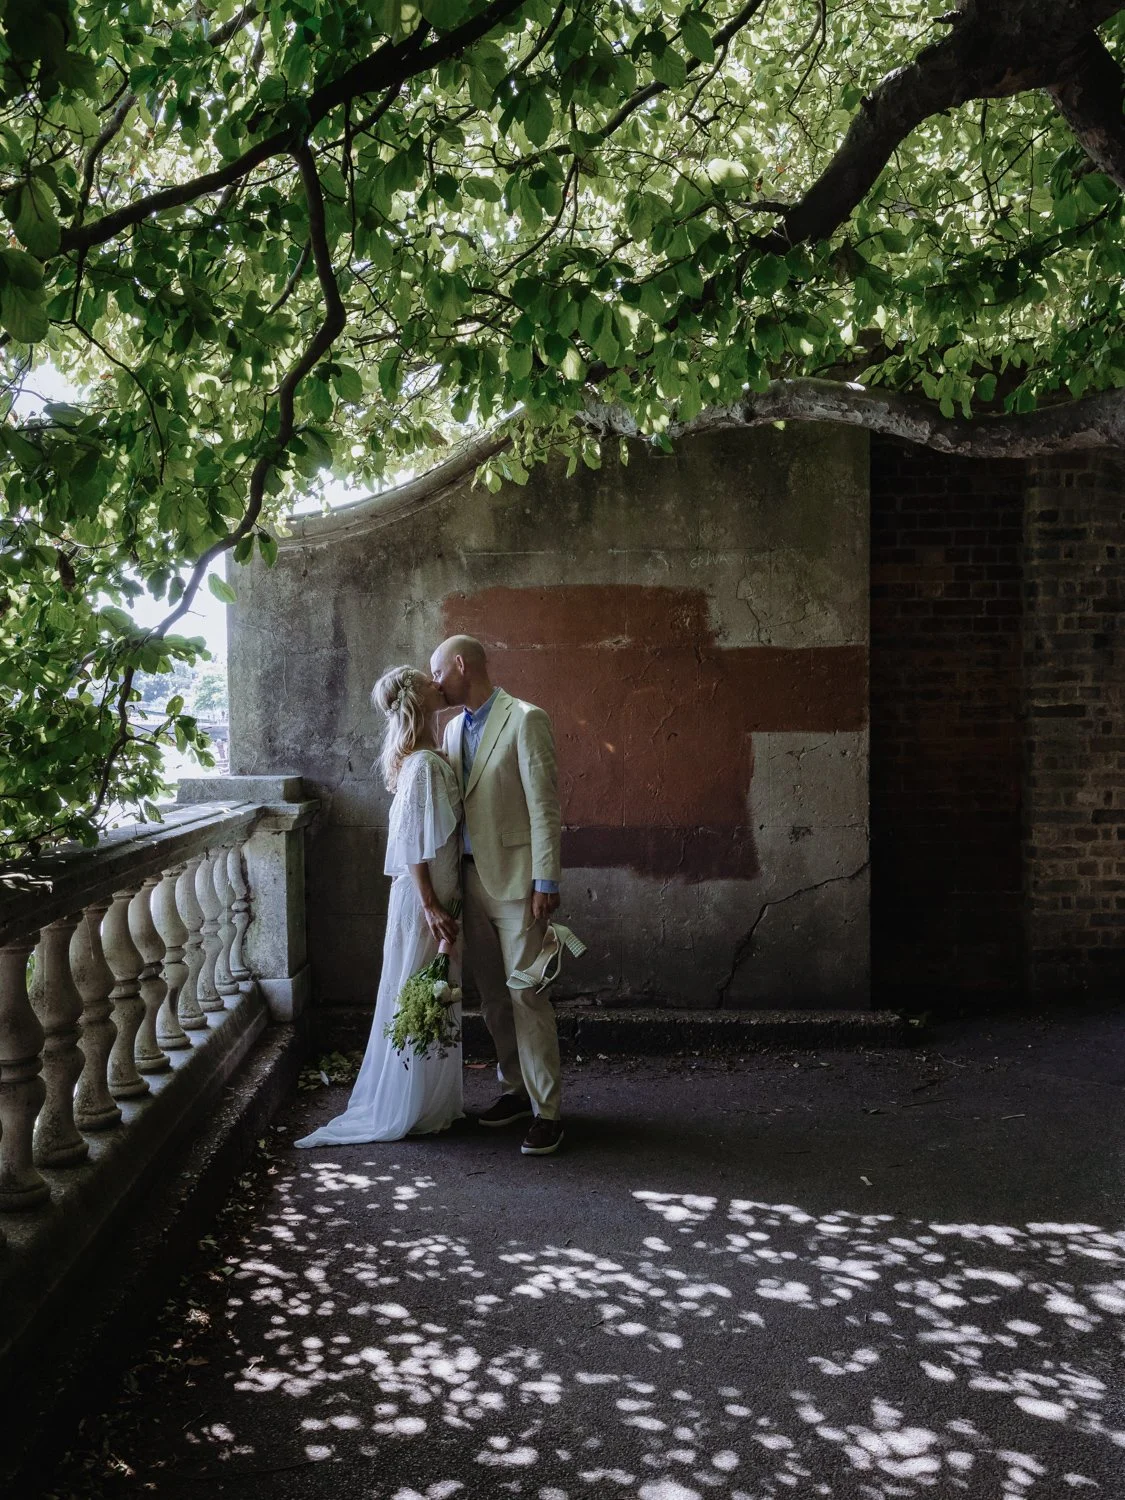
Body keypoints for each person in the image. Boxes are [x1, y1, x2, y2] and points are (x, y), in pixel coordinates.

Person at [294, 666, 463, 1148]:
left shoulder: (428, 756)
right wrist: (431, 904)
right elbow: (410, 842)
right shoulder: (425, 764)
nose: (439, 681)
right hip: (425, 898)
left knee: (434, 991)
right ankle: (409, 1104)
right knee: (421, 991)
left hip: (440, 890)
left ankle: (428, 1102)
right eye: (430, 678)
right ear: (421, 696)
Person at [430, 634, 565, 1156]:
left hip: (517, 880)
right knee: (490, 997)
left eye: (439, 671)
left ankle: (548, 1112)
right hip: (466, 881)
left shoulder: (526, 718)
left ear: (461, 665)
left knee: (527, 993)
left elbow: (545, 806)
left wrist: (546, 880)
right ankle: (513, 1089)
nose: (436, 683)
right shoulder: (451, 730)